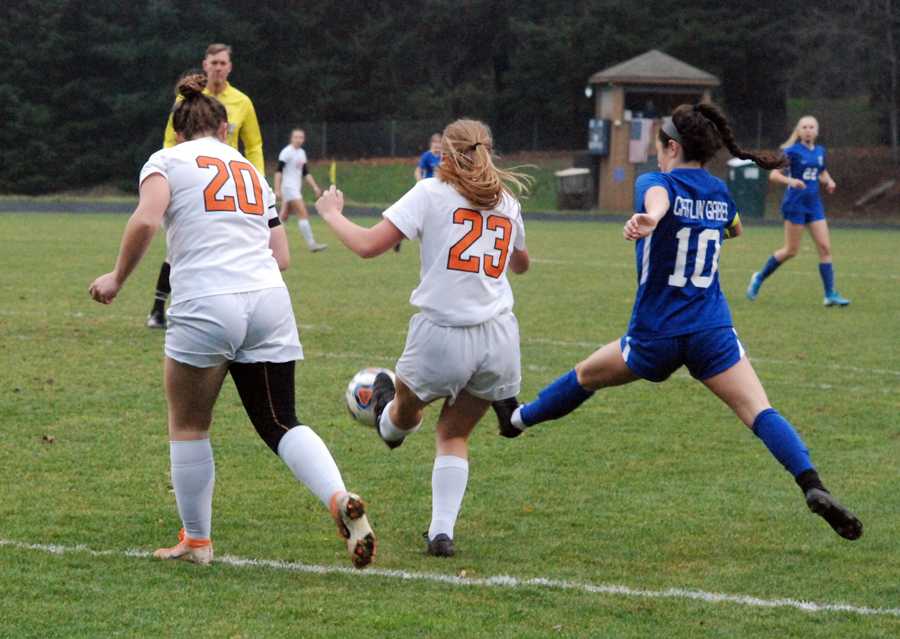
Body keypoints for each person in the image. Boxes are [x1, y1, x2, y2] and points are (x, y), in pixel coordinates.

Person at [493, 104, 862, 542]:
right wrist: (698, 223)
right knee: (759, 410)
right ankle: (812, 484)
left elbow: (660, 201)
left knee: (586, 375)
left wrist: (652, 218)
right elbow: (735, 229)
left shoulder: (655, 183)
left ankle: (517, 420)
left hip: (657, 333)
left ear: (671, 146)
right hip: (711, 330)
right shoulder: (720, 192)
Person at [89, 73, 375, 569]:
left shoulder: (165, 160)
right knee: (281, 420)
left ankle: (197, 542)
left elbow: (147, 218)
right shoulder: (250, 171)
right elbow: (282, 255)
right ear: (225, 130)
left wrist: (116, 278)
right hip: (268, 299)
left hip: (206, 301)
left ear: (178, 131)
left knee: (189, 424)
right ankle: (337, 495)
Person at [315, 119, 530, 557]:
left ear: (444, 155)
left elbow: (368, 245)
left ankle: (386, 418)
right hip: (499, 338)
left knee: (402, 415)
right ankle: (440, 533)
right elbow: (522, 264)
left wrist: (332, 213)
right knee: (453, 433)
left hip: (443, 334)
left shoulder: (431, 191)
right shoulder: (506, 200)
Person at [148, 43, 266, 329]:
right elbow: (170, 138)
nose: (218, 68)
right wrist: (169, 174)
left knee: (231, 246)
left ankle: (229, 308)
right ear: (205, 65)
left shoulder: (242, 102)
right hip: (192, 183)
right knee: (179, 247)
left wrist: (258, 181)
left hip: (227, 186)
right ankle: (159, 307)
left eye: (223, 63)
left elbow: (254, 145)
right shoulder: (186, 99)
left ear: (230, 67)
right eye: (214, 63)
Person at [746, 116, 849, 306]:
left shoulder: (820, 151)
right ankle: (759, 277)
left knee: (825, 248)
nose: (808, 130)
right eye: (804, 127)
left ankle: (830, 295)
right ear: (799, 131)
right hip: (795, 204)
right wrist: (791, 181)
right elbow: (774, 175)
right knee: (791, 250)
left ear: (817, 131)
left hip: (814, 204)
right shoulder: (791, 151)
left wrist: (829, 181)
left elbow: (821, 171)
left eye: (811, 127)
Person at [275, 128, 326, 252]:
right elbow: (278, 171)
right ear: (291, 138)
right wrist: (277, 189)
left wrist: (315, 186)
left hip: (294, 188)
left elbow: (305, 172)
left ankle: (271, 241)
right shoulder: (286, 152)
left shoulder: (302, 153)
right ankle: (312, 244)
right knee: (303, 213)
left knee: (283, 216)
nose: (298, 139)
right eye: (296, 137)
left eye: (301, 137)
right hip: (289, 187)